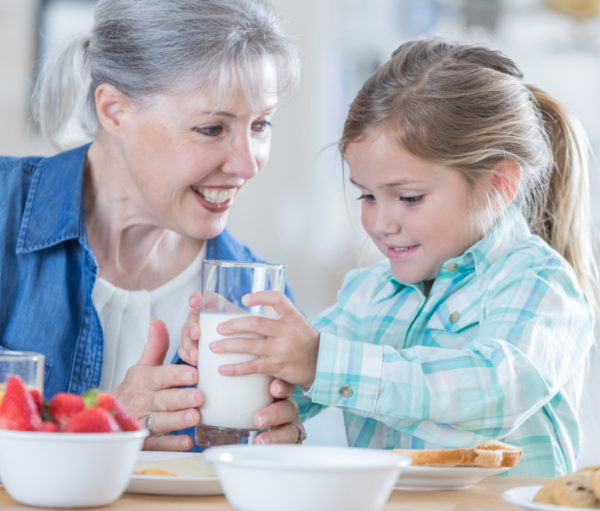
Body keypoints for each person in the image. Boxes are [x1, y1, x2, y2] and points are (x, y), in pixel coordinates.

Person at [179, 37, 598, 476]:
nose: (381, 223)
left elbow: (495, 389)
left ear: (499, 185)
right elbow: (296, 383)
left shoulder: (539, 282)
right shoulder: (368, 294)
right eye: (367, 196)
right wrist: (244, 360)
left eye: (409, 198)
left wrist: (322, 360)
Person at [0, 0, 305, 450]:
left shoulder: (253, 297)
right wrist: (101, 430)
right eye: (211, 128)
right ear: (114, 110)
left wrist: (277, 453)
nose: (247, 163)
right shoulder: (7, 210)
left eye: (261, 125)